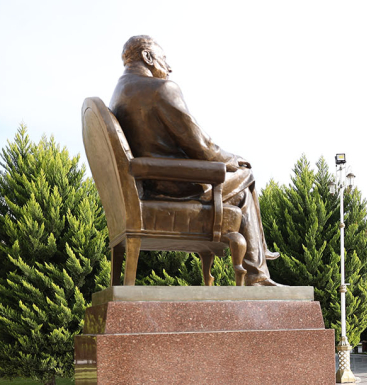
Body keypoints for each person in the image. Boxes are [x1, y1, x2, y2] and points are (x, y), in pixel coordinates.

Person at [110, 35, 280, 286]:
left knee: (241, 189)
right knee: (247, 174)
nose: (169, 67)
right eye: (164, 59)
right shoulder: (161, 89)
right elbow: (202, 147)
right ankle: (257, 272)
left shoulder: (119, 95)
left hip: (150, 185)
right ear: (148, 57)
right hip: (178, 186)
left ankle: (258, 266)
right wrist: (232, 159)